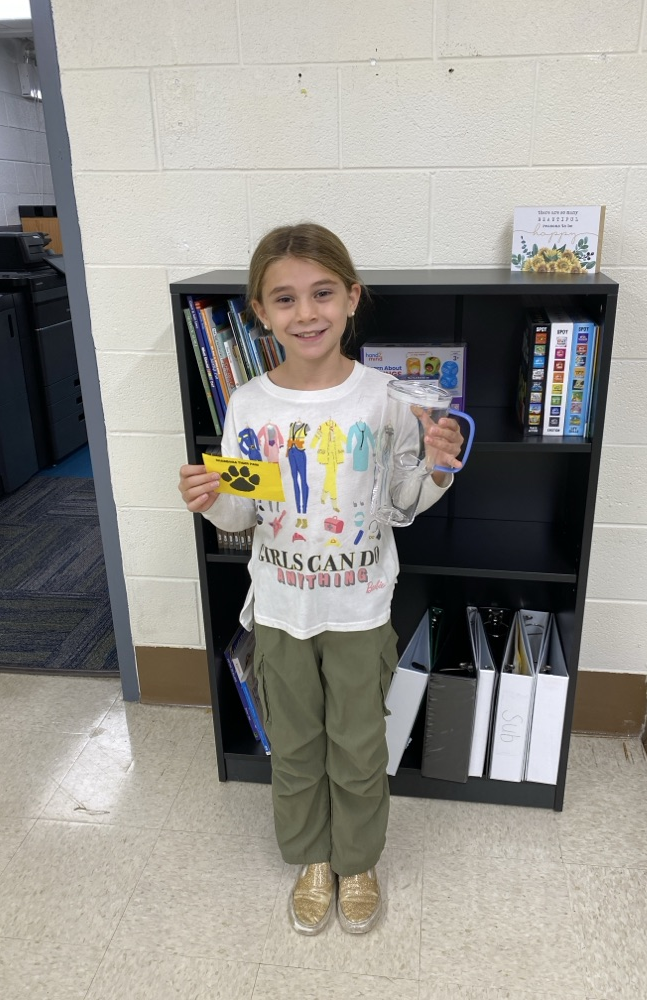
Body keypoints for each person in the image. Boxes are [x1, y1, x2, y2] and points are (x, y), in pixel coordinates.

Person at [178, 223, 463, 936]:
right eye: (284, 299)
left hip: (360, 609)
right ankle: (311, 856)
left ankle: (357, 858)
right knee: (296, 744)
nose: (306, 313)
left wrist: (436, 465)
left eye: (322, 293)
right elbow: (247, 510)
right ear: (260, 311)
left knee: (360, 745)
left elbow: (400, 505)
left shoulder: (387, 399)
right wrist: (214, 501)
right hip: (278, 608)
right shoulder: (248, 405)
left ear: (352, 298)